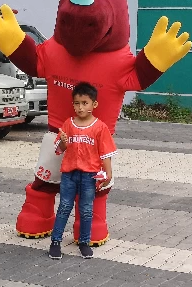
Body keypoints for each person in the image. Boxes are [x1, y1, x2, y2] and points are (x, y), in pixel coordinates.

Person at [49, 82, 116, 260]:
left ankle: (84, 242)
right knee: (64, 207)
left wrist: (108, 173)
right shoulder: (68, 124)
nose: (80, 107)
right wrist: (63, 141)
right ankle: (55, 242)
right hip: (69, 175)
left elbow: (105, 153)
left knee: (86, 209)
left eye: (85, 103)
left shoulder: (100, 127)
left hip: (89, 176)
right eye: (77, 103)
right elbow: (60, 149)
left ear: (94, 104)